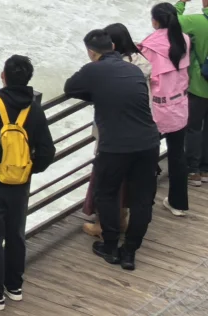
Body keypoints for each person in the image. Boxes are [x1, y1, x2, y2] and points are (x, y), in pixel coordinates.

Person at [64, 28, 159, 270]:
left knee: (106, 193)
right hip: (148, 142)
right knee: (142, 200)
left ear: (91, 53)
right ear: (113, 48)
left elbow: (70, 88)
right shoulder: (133, 69)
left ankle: (110, 247)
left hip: (115, 146)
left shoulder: (93, 69)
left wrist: (97, 93)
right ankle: (129, 252)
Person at [0, 55, 55, 309]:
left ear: (3, 76)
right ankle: (14, 285)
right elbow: (48, 151)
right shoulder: (34, 109)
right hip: (19, 186)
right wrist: (28, 169)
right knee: (15, 235)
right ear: (28, 78)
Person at [81, 22, 147, 238]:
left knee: (107, 184)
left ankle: (105, 227)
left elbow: (74, 86)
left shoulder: (109, 70)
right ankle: (122, 220)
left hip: (113, 136)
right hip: (141, 134)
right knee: (127, 183)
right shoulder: (141, 64)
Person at [140, 1, 192, 215]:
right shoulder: (184, 40)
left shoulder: (149, 46)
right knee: (177, 155)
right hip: (180, 106)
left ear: (155, 21)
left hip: (156, 110)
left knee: (148, 158)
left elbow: (143, 76)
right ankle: (178, 204)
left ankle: (145, 204)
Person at [175, 0, 208, 186]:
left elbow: (168, 22)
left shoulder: (196, 22)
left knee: (194, 128)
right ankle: (206, 169)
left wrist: (182, 2)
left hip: (199, 84)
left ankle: (193, 171)